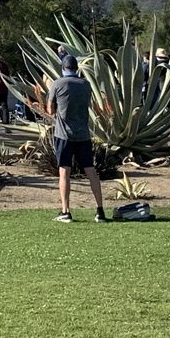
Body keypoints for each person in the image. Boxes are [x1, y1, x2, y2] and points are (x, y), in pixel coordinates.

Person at [49, 52, 105, 223]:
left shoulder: (58, 83)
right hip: (83, 134)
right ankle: (100, 211)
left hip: (64, 135)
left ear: (63, 67)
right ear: (76, 68)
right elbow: (88, 104)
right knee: (91, 171)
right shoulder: (85, 84)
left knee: (64, 172)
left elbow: (50, 109)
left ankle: (65, 211)